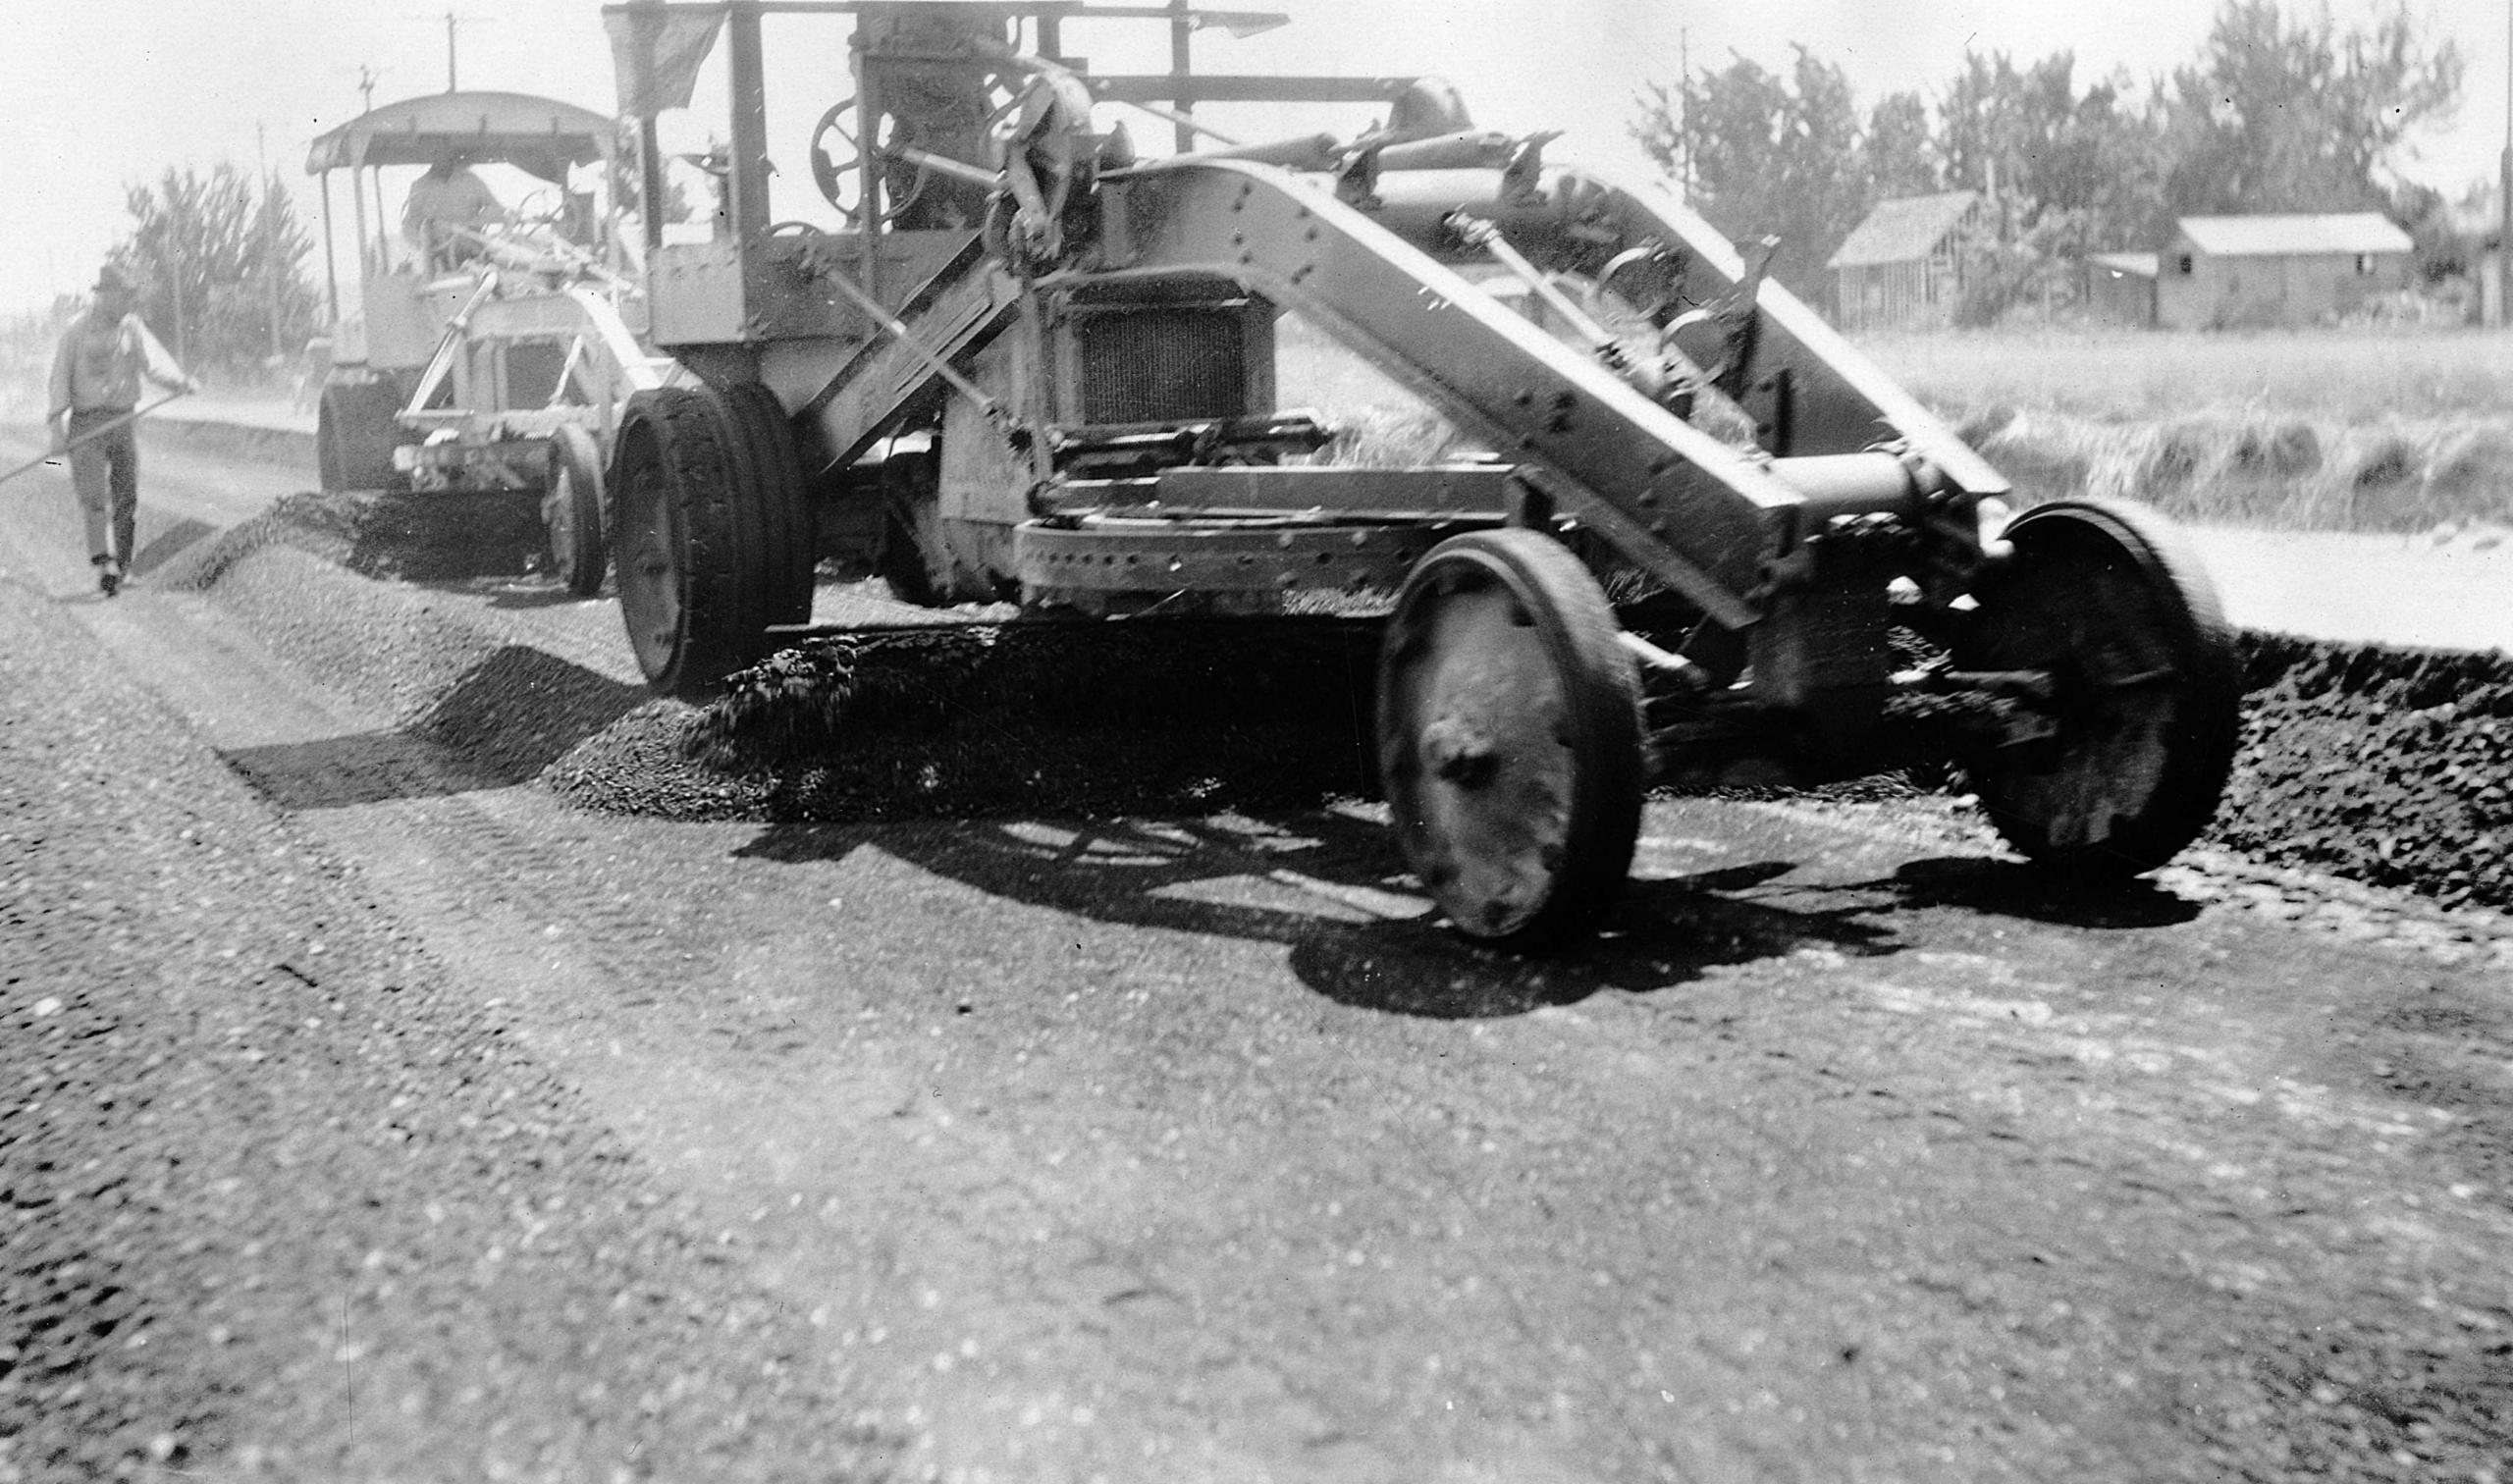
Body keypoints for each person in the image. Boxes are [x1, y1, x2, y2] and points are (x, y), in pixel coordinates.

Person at [45, 264, 197, 597]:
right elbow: (58, 381)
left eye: (131, 296)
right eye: (123, 297)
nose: (129, 303)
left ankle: (124, 567)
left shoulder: (132, 328)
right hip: (87, 425)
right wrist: (57, 430)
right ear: (104, 297)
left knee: (127, 496)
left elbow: (152, 365)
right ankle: (104, 565)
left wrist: (180, 381)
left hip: (122, 422)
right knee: (94, 499)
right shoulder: (76, 331)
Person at [401, 150, 508, 270]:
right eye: (435, 150)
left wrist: (470, 224)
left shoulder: (471, 181)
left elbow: (496, 210)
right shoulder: (420, 186)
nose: (442, 156)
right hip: (437, 257)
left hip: (471, 251)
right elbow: (410, 224)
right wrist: (420, 245)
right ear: (430, 155)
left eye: (444, 149)